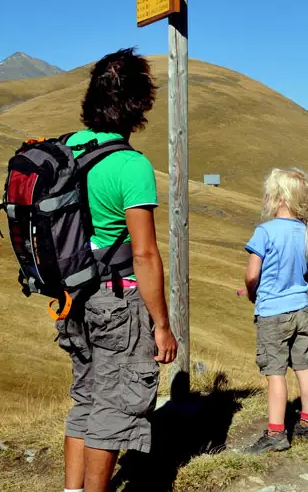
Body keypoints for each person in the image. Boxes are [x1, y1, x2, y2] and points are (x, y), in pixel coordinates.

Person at [55, 48, 178, 492]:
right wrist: (161, 325)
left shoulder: (67, 149)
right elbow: (144, 255)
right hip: (116, 302)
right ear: (139, 104)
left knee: (86, 397)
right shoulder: (130, 165)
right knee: (114, 406)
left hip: (73, 296)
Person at [242, 167, 308, 454]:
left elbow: (252, 275)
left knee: (275, 373)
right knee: (305, 367)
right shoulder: (307, 233)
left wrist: (253, 292)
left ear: (276, 198)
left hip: (273, 313)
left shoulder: (264, 232)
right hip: (301, 309)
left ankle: (276, 433)